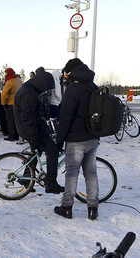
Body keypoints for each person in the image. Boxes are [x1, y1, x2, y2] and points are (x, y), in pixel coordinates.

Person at [54, 58, 100, 220]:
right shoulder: (92, 86)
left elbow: (65, 117)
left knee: (72, 174)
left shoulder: (74, 88)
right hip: (93, 138)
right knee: (91, 173)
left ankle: (67, 207)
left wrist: (60, 140)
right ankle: (93, 208)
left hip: (76, 140)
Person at [14, 70, 64, 193]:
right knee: (52, 151)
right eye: (46, 88)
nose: (46, 91)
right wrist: (34, 137)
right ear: (42, 83)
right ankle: (51, 183)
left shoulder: (30, 89)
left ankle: (26, 179)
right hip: (29, 129)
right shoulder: (29, 93)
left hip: (31, 128)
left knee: (37, 151)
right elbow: (28, 118)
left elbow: (36, 114)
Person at [1, 68, 22, 141]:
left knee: (10, 121)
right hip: (18, 104)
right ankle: (17, 135)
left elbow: (4, 94)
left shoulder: (9, 82)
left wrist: (3, 103)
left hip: (10, 104)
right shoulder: (19, 80)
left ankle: (11, 136)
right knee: (16, 121)